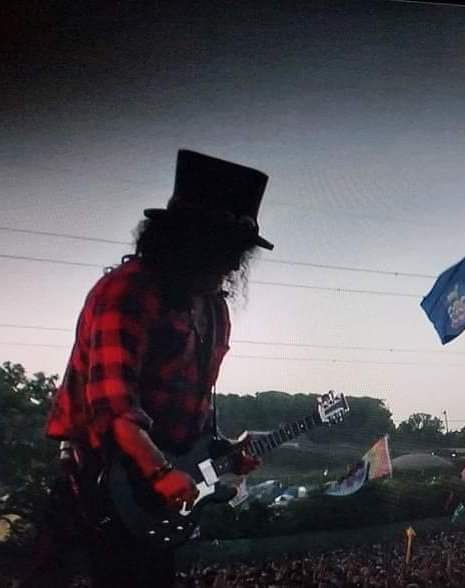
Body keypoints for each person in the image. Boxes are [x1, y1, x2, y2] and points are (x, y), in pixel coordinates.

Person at [21, 149, 274, 587]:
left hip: (158, 492)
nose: (234, 266)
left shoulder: (214, 309)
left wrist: (221, 449)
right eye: (226, 250)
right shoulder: (127, 291)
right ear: (189, 241)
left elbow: (190, 410)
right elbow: (114, 406)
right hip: (102, 480)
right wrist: (159, 471)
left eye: (239, 254)